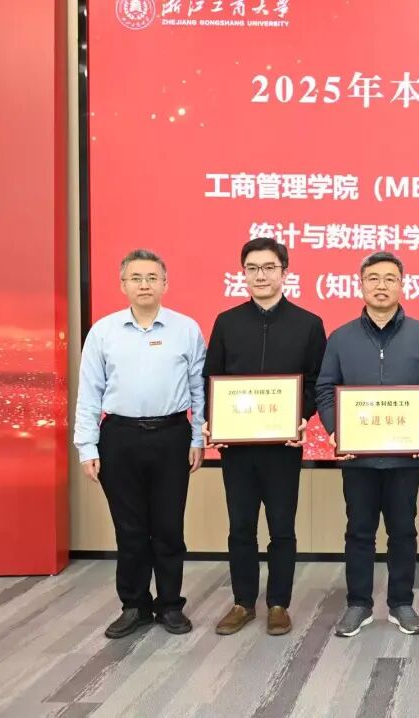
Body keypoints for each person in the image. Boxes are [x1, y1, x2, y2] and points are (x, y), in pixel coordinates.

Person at [314, 252, 419, 638]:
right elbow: (325, 388)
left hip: (405, 456)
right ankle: (358, 604)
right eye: (373, 278)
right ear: (361, 285)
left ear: (402, 285)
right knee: (359, 531)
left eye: (390, 278)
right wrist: (335, 429)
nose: (381, 286)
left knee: (403, 530)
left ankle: (401, 603)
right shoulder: (341, 338)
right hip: (357, 456)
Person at [74, 249, 205, 638]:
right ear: (123, 285)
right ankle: (134, 605)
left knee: (168, 526)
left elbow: (199, 389)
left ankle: (170, 605)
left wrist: (197, 437)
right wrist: (87, 446)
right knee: (129, 529)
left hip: (171, 435)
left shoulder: (186, 329)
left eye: (152, 277)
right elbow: (89, 393)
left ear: (165, 283)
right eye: (136, 278)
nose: (144, 284)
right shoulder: (103, 331)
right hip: (119, 437)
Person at [203, 236, 326, 637]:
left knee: (281, 527)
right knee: (240, 526)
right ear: (243, 274)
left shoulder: (308, 324)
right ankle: (242, 602)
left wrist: (301, 417)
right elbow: (212, 379)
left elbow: (316, 382)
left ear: (284, 272)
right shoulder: (227, 322)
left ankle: (278, 604)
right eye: (252, 268)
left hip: (282, 447)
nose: (260, 275)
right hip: (237, 448)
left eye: (269, 268)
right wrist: (212, 420)